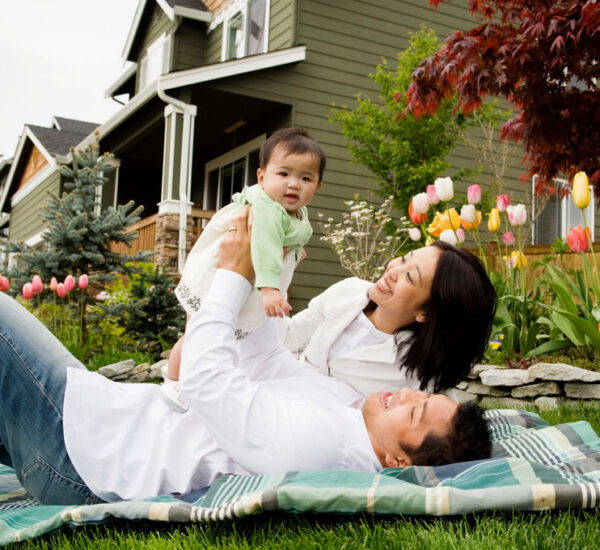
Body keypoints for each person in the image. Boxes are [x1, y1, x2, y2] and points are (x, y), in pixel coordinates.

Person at [0, 207, 491, 506]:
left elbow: (210, 385)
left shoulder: (319, 447)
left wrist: (234, 280)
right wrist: (265, 268)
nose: (407, 394)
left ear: (397, 460)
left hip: (86, 455)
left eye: (417, 408)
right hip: (107, 421)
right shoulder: (347, 406)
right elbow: (271, 358)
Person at [164, 127, 324, 409]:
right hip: (217, 280)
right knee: (197, 335)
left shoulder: (292, 211)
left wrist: (294, 252)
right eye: (283, 174)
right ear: (262, 177)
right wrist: (271, 290)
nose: (294, 184)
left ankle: (199, 380)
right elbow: (263, 248)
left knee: (221, 339)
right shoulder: (266, 210)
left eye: (305, 178)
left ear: (317, 186)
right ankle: (175, 380)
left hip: (243, 280)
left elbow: (288, 238)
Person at [280, 241, 497, 396]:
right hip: (280, 396)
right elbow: (286, 338)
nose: (394, 271)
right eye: (403, 259)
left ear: (427, 313)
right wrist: (276, 275)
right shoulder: (348, 291)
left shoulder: (419, 375)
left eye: (410, 277)